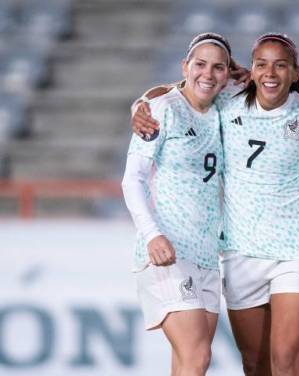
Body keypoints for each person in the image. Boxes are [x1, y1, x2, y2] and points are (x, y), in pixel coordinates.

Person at [133, 33, 299, 376]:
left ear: (295, 73)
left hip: (298, 248)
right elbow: (183, 91)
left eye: (281, 66)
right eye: (262, 65)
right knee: (253, 364)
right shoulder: (226, 104)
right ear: (249, 71)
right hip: (239, 252)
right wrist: (140, 104)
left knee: (285, 361)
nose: (271, 73)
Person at [121, 32, 231, 375]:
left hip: (207, 256)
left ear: (229, 74)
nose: (208, 74)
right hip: (167, 252)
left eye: (218, 67)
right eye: (200, 65)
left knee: (188, 363)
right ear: (185, 66)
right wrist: (153, 235)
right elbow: (132, 179)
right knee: (197, 356)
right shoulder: (161, 110)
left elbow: (289, 89)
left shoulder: (226, 111)